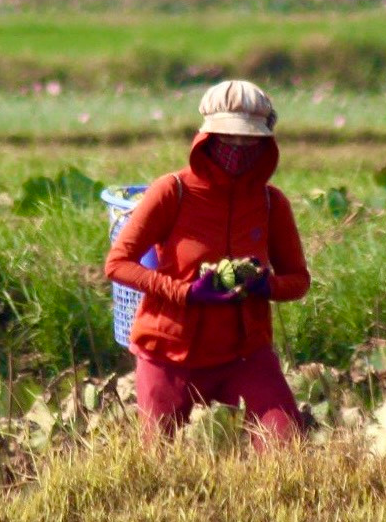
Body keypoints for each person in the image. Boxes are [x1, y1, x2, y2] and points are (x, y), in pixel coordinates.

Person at [104, 80, 310, 448]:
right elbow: (117, 264)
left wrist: (266, 285)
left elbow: (299, 280)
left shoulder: (270, 203)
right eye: (229, 138)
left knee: (285, 447)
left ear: (265, 142)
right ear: (207, 137)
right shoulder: (173, 191)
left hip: (244, 354)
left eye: (250, 139)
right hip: (170, 353)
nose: (240, 147)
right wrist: (187, 293)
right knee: (157, 461)